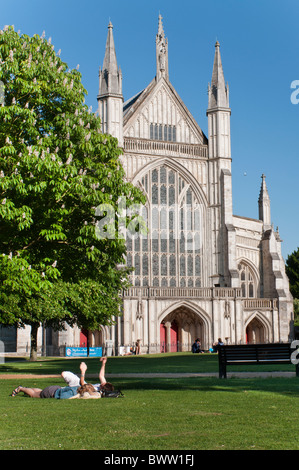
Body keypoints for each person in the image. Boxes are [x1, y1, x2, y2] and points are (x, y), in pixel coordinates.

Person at [10, 384, 80, 399]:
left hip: (55, 388)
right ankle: (21, 388)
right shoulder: (74, 392)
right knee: (34, 394)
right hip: (51, 392)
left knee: (40, 391)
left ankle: (26, 388)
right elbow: (62, 397)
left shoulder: (77, 387)